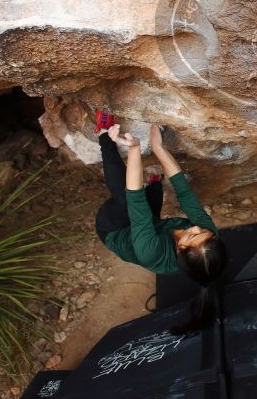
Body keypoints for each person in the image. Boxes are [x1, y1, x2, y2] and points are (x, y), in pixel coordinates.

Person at [93, 110, 226, 330]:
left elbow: (136, 201)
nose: (195, 226)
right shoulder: (207, 238)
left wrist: (135, 148)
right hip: (152, 225)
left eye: (191, 234)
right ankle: (154, 184)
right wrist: (158, 148)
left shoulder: (151, 253)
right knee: (154, 191)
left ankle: (103, 135)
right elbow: (185, 193)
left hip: (114, 229)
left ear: (181, 248)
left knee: (128, 199)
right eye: (203, 231)